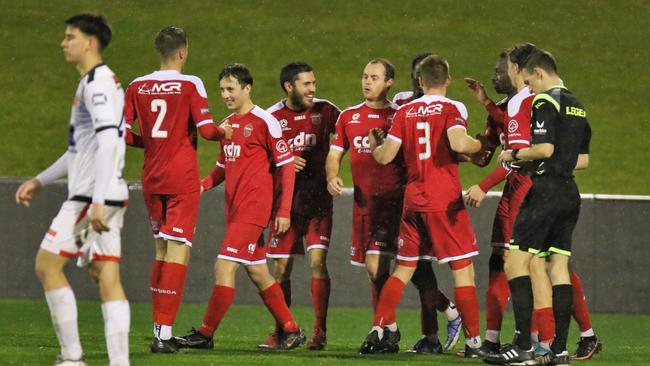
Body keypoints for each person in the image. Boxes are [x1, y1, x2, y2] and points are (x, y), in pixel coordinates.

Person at [15, 13, 130, 366]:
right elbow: (80, 149)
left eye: (70, 37)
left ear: (90, 43)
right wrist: (40, 179)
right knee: (105, 275)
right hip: (110, 193)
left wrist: (95, 201)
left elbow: (109, 139)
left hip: (91, 197)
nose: (64, 43)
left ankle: (72, 357)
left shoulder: (95, 84)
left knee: (47, 265)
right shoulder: (103, 81)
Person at [359, 55, 485, 358]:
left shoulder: (406, 112)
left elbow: (386, 156)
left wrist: (375, 145)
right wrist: (483, 144)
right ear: (448, 80)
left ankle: (379, 326)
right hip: (444, 202)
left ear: (419, 81)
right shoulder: (453, 108)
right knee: (463, 271)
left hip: (412, 201)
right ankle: (474, 343)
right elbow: (458, 143)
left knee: (403, 269)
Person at [177, 64, 305, 350]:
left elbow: (286, 167)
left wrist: (283, 211)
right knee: (258, 271)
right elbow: (222, 167)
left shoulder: (264, 121)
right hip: (235, 211)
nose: (225, 94)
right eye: (222, 89)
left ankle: (205, 333)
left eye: (231, 89)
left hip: (253, 209)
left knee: (223, 267)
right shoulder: (227, 124)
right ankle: (291, 329)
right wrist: (201, 185)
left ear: (247, 89)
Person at [123, 26, 232, 353]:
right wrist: (225, 131)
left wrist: (152, 142)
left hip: (151, 178)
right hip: (181, 177)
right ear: (183, 51)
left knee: (160, 250)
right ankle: (164, 334)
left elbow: (122, 133)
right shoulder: (190, 84)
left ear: (160, 50)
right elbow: (208, 130)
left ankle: (159, 329)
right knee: (179, 251)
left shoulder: (136, 85)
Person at [487, 48, 592, 366]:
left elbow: (544, 148)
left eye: (531, 81)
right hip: (569, 193)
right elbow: (583, 160)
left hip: (544, 191)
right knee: (558, 268)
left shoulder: (547, 101)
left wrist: (515, 155)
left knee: (515, 265)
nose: (530, 88)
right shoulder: (577, 105)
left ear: (541, 73)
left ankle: (523, 346)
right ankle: (559, 351)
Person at [260, 62, 340, 350]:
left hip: (319, 203)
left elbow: (348, 138)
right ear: (288, 86)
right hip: (286, 207)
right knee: (280, 270)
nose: (313, 89)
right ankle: (283, 329)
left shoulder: (327, 111)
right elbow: (256, 157)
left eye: (314, 82)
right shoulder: (270, 118)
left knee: (317, 262)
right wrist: (281, 160)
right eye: (306, 84)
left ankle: (320, 331)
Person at [463, 46, 536, 355]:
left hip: (528, 190)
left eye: (500, 69)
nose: (494, 74)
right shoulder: (506, 108)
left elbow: (518, 159)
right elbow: (485, 153)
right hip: (511, 192)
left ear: (517, 70)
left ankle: (538, 342)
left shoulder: (530, 104)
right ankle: (492, 340)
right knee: (500, 262)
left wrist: (482, 186)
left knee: (541, 267)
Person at [390, 52, 464, 353]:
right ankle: (446, 316)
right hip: (400, 194)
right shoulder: (401, 102)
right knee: (409, 269)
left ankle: (435, 331)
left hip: (424, 195)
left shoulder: (443, 108)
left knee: (414, 268)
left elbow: (451, 145)